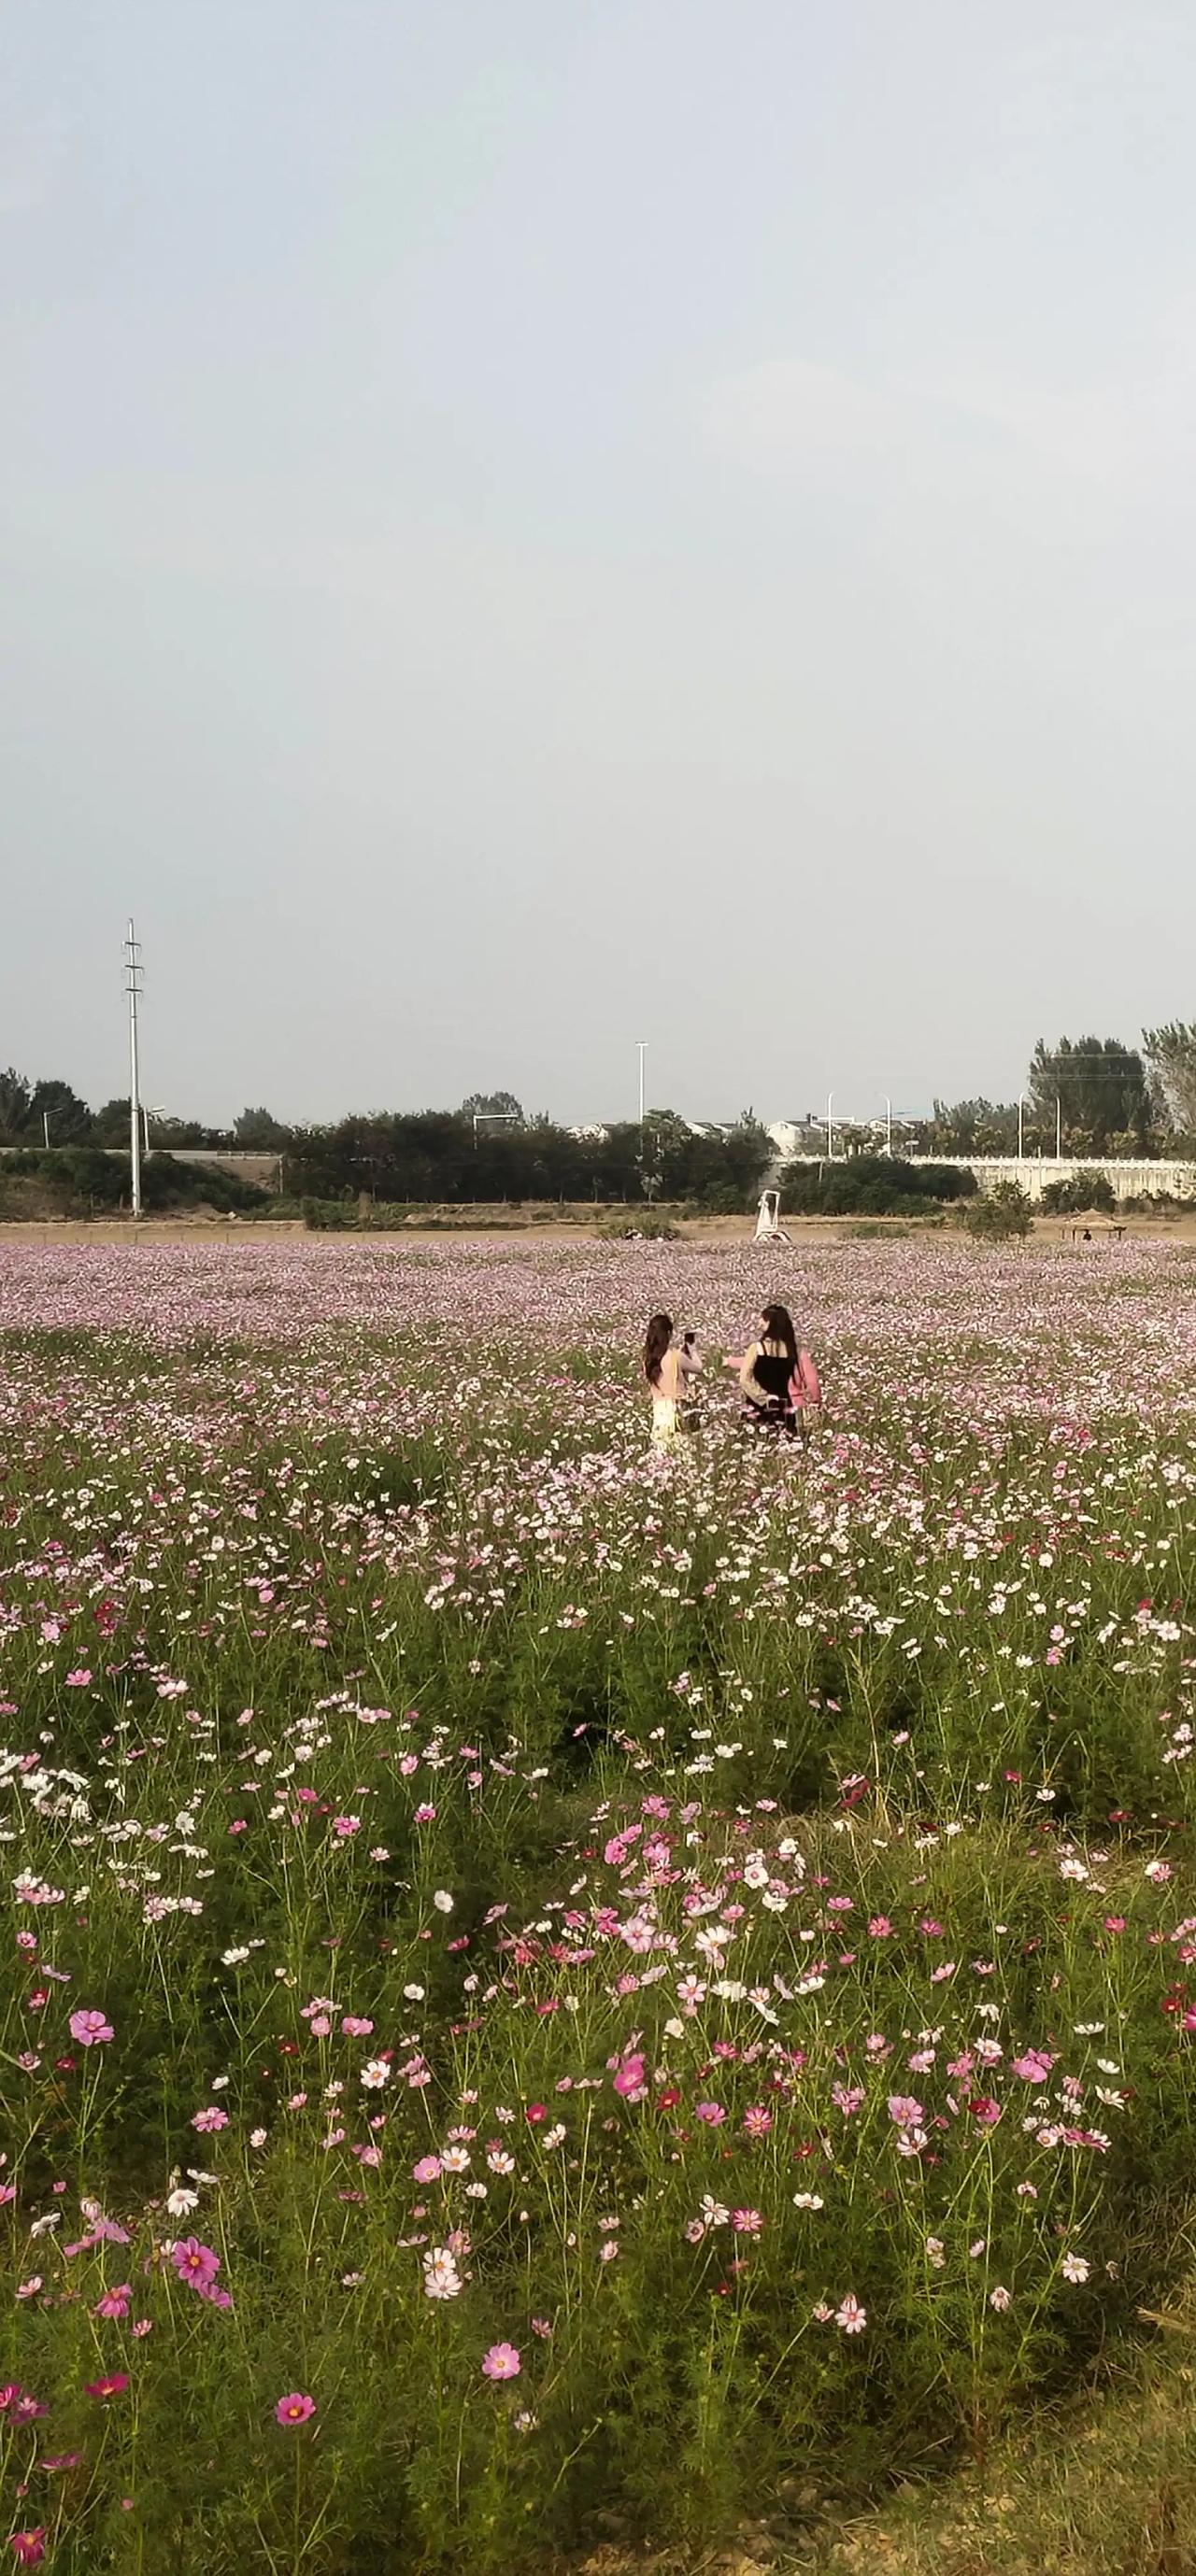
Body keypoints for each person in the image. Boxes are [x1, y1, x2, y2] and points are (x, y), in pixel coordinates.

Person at [734, 1301, 821, 1442]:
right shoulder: (792, 1350)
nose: (759, 1323)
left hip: (758, 1408)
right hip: (785, 1407)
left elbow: (744, 1379)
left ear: (769, 1322)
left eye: (763, 1319)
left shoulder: (757, 1348)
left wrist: (763, 1398)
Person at [644, 1312, 702, 1451]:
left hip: (659, 1411)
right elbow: (698, 1368)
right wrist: (693, 1351)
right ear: (668, 1334)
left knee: (662, 1457)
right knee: (683, 1455)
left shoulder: (648, 1359)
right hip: (677, 1410)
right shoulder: (676, 1356)